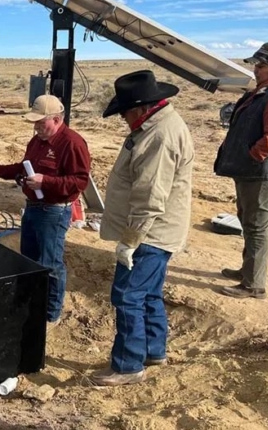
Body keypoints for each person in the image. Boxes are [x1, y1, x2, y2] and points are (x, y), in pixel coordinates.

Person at [92, 70, 194, 387]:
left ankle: (127, 365)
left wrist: (130, 241)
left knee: (127, 296)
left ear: (140, 108)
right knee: (149, 294)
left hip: (151, 233)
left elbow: (149, 196)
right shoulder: (156, 126)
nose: (123, 119)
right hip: (159, 231)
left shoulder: (159, 136)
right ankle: (153, 350)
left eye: (124, 113)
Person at [0, 95, 91, 326]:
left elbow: (79, 182)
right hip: (32, 208)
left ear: (57, 119)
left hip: (53, 211)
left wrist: (46, 182)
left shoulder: (72, 143)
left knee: (50, 263)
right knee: (30, 260)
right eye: (35, 123)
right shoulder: (37, 141)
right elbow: (24, 166)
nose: (37, 127)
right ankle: (32, 303)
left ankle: (51, 314)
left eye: (41, 122)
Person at [214, 42, 268, 300]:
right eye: (256, 64)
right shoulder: (266, 90)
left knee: (256, 227)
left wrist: (253, 157)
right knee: (248, 221)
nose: (256, 70)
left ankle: (253, 284)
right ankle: (248, 271)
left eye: (261, 66)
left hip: (263, 173)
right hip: (253, 172)